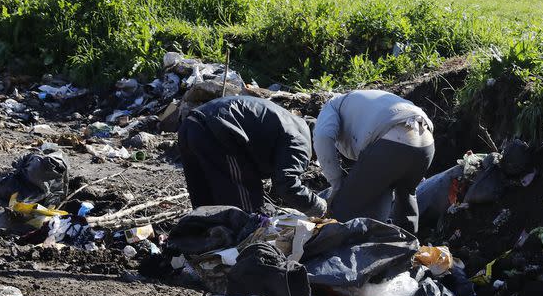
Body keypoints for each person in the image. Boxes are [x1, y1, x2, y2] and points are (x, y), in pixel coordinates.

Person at [178, 96, 326, 217]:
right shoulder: (301, 139)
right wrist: (318, 207)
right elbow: (286, 184)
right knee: (246, 212)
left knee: (204, 202)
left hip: (190, 124)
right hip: (217, 131)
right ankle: (243, 248)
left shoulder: (290, 122)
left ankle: (205, 243)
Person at [313, 89, 434, 233]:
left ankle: (336, 248)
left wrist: (336, 184)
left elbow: (322, 137)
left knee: (343, 206)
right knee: (406, 195)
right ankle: (409, 245)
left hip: (391, 141)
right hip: (426, 143)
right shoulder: (361, 103)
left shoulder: (331, 105)